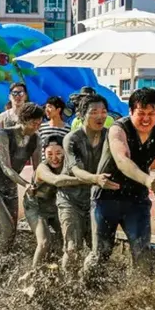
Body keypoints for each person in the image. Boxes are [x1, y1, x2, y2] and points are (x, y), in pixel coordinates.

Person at [83, 87, 155, 282]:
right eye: (141, 113)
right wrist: (148, 179)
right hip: (107, 196)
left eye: (151, 113)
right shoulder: (118, 129)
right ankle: (84, 287)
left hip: (137, 199)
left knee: (142, 250)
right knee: (101, 252)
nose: (146, 118)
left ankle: (139, 295)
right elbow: (122, 160)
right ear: (130, 112)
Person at [61, 94, 118, 277]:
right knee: (72, 248)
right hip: (70, 199)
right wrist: (95, 179)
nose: (100, 116)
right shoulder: (72, 139)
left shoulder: (110, 137)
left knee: (100, 250)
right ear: (81, 115)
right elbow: (76, 170)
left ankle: (88, 283)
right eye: (94, 112)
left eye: (103, 112)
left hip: (96, 200)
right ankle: (67, 285)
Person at [0, 102, 43, 253]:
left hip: (10, 187)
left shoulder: (36, 139)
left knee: (11, 230)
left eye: (40, 123)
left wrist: (38, 184)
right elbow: (6, 167)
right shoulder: (4, 134)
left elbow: (37, 168)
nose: (37, 127)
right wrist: (26, 184)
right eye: (34, 123)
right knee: (7, 228)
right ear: (23, 119)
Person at [23, 135, 83, 272]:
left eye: (58, 153)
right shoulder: (42, 168)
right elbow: (56, 180)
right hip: (35, 207)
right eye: (49, 154)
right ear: (44, 153)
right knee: (44, 242)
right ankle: (33, 274)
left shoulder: (70, 165)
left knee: (68, 241)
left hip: (55, 207)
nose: (54, 158)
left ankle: (62, 273)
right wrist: (87, 179)